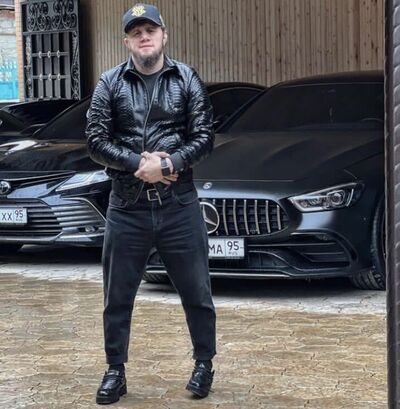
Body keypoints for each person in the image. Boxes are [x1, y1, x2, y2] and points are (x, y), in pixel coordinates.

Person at [86, 3, 217, 405]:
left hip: (179, 206)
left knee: (197, 292)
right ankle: (115, 370)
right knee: (117, 296)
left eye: (150, 30)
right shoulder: (109, 83)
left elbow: (205, 136)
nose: (144, 37)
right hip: (127, 207)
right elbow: (95, 140)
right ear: (126, 41)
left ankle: (204, 364)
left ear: (164, 35)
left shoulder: (186, 78)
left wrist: (169, 163)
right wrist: (137, 165)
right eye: (136, 32)